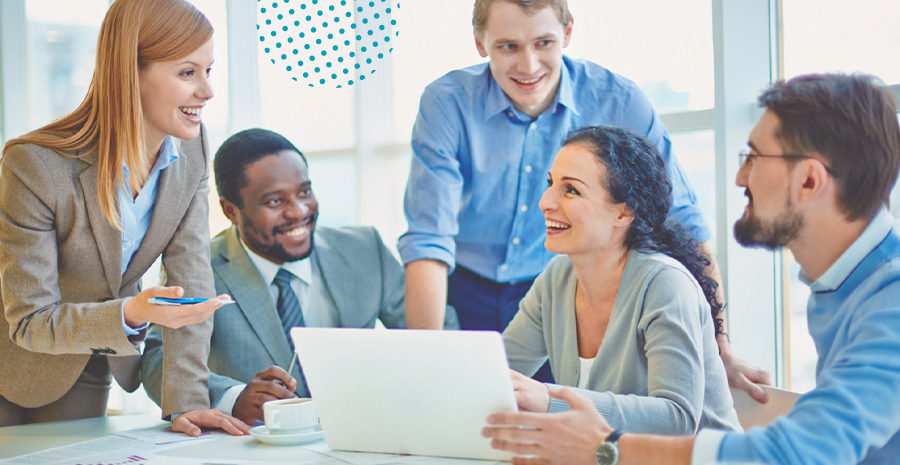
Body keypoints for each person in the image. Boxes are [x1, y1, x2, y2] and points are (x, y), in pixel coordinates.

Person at [482, 73, 900, 465]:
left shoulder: (890, 306)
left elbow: (791, 453)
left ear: (809, 181)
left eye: (753, 157)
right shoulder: (840, 289)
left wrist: (605, 448)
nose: (739, 177)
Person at [399, 0, 770, 397]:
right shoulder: (446, 102)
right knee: (459, 403)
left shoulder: (620, 101)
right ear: (479, 41)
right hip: (465, 285)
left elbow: (683, 223)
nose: (528, 65)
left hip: (562, 291)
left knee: (556, 422)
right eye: (508, 47)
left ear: (568, 33)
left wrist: (719, 348)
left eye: (544, 42)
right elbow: (428, 241)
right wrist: (422, 370)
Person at [0, 0, 244, 436]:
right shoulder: (34, 164)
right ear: (130, 74)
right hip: (11, 360)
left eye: (209, 71)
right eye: (187, 73)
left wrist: (187, 404)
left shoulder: (190, 149)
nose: (206, 92)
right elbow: (29, 320)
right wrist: (131, 312)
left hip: (92, 358)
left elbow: (192, 281)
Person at [142, 128, 458, 427]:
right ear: (231, 211)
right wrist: (233, 398)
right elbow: (157, 359)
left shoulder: (365, 249)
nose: (298, 212)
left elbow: (438, 333)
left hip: (363, 436)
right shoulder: (199, 268)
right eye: (275, 201)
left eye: (305, 192)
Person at [502, 126, 740, 435]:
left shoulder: (665, 284)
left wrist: (549, 400)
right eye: (551, 183)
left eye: (571, 189)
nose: (545, 201)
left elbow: (677, 420)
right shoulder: (555, 280)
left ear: (624, 212)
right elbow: (496, 376)